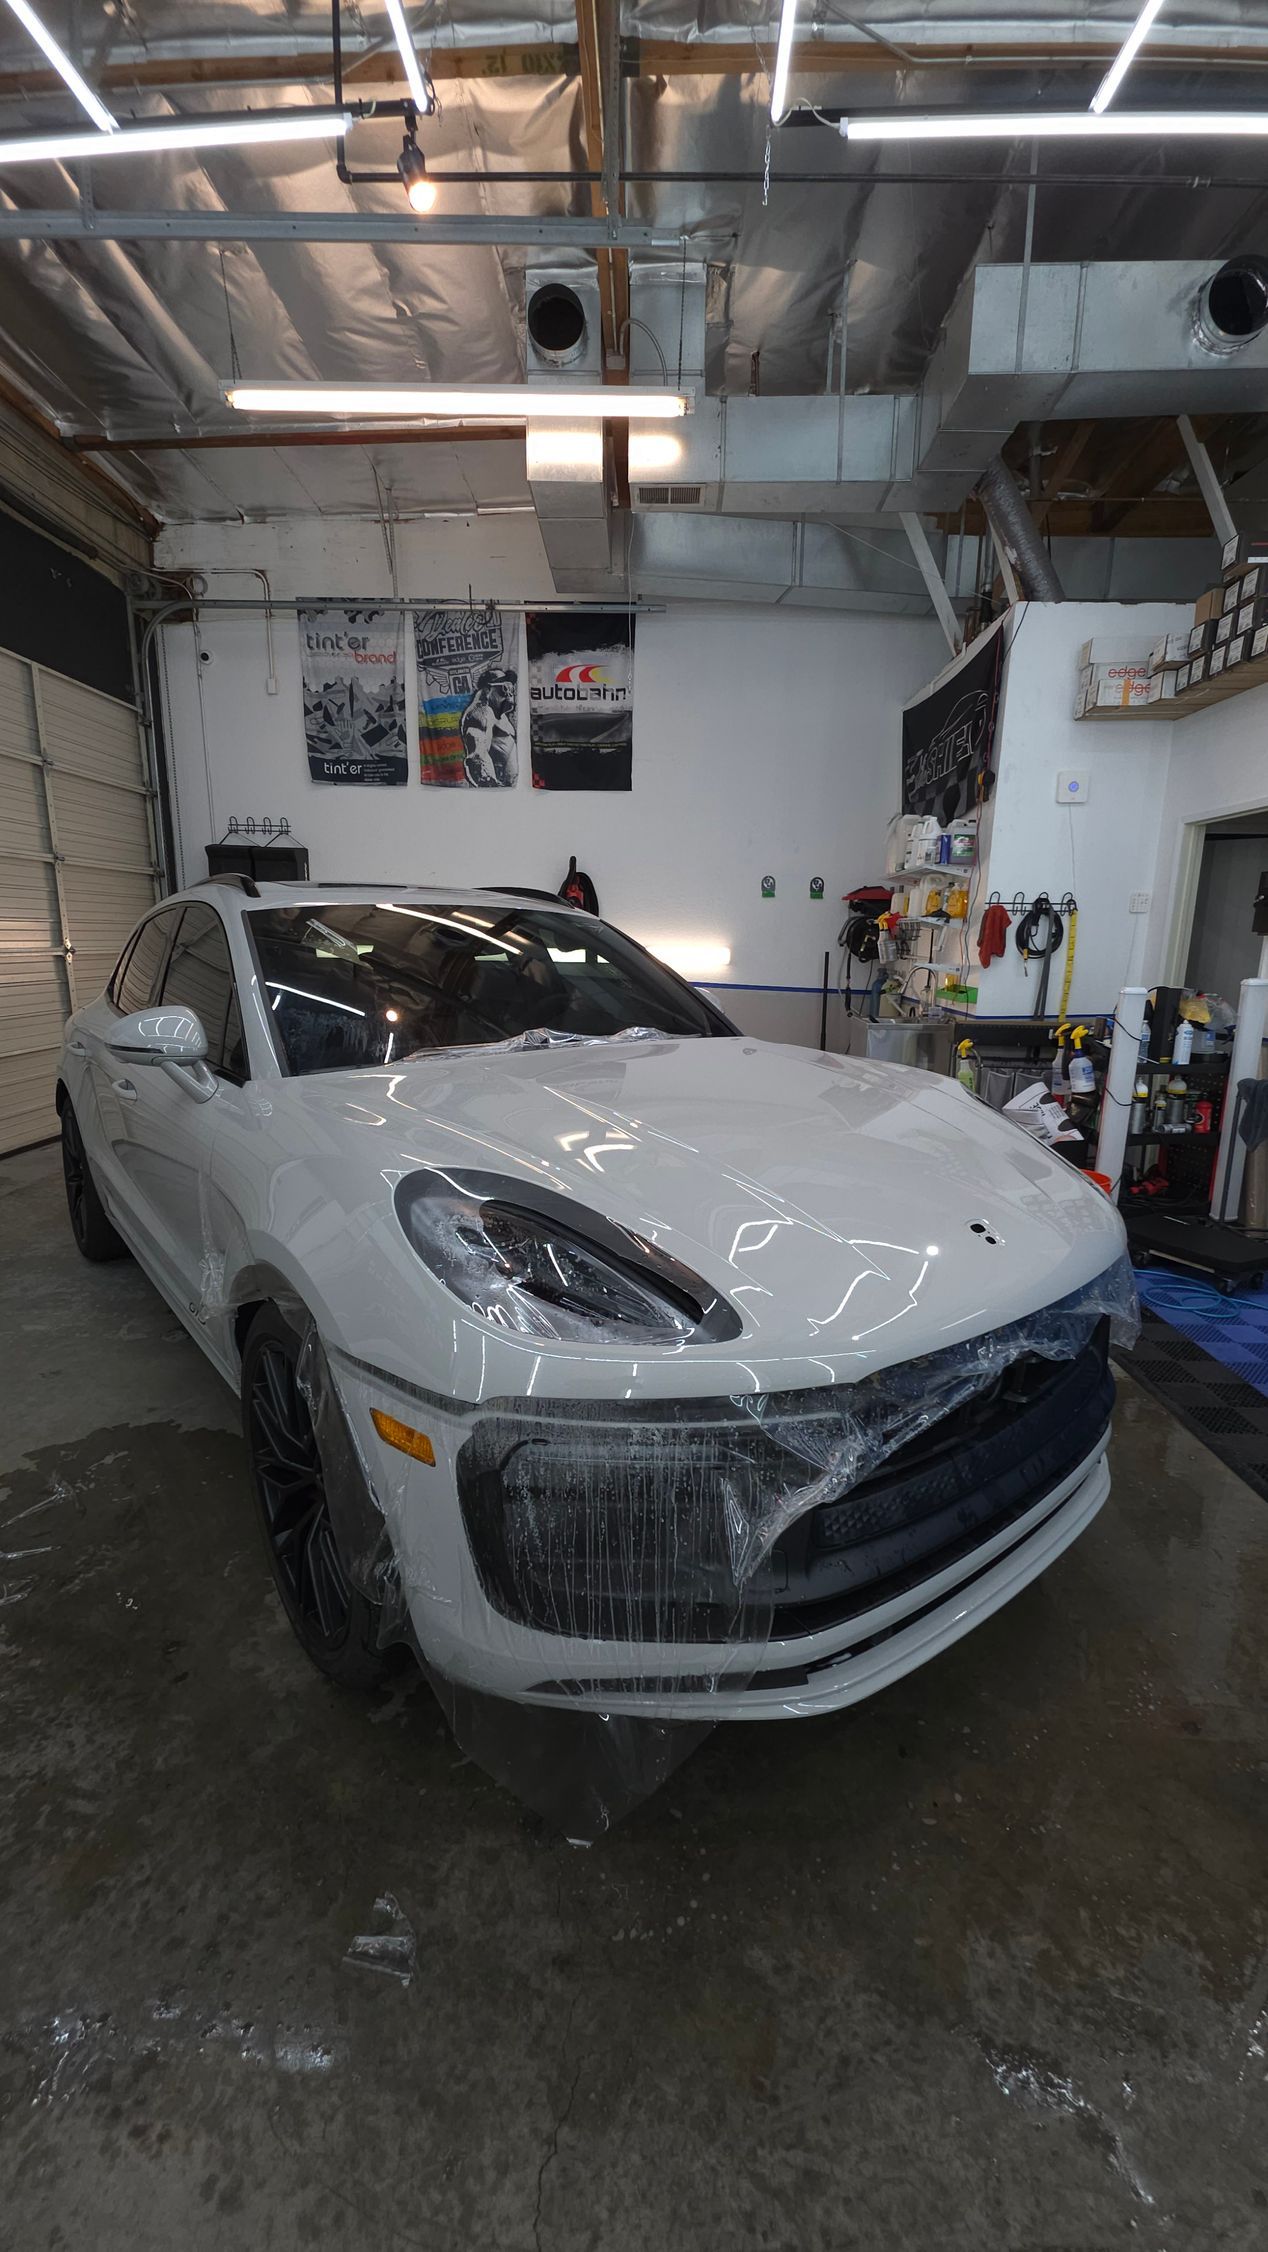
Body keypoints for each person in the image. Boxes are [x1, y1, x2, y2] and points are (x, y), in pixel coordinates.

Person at [460, 667, 517, 787]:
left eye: (511, 687)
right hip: (496, 792)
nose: (509, 693)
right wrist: (492, 789)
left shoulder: (499, 714)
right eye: (504, 688)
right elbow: (478, 758)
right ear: (487, 690)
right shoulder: (480, 714)